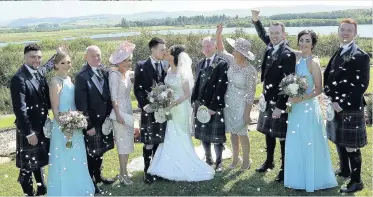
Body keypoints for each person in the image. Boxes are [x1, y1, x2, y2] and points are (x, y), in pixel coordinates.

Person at [148, 45, 215, 181]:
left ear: (174, 57)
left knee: (179, 133)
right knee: (170, 133)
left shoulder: (182, 73)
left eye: (169, 53)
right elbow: (166, 88)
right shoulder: (168, 71)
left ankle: (183, 162)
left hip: (179, 107)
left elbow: (187, 94)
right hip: (169, 107)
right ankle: (168, 163)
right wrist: (162, 97)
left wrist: (173, 103)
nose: (166, 54)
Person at [284, 29, 337, 192]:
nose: (304, 44)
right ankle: (298, 178)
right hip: (296, 107)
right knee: (296, 141)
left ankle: (313, 178)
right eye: (301, 40)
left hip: (307, 107)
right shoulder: (298, 60)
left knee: (308, 141)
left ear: (313, 44)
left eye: (307, 41)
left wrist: (300, 98)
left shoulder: (313, 62)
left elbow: (319, 89)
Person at [324, 18, 370, 193]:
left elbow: (362, 85)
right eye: (342, 29)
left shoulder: (361, 55)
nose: (344, 32)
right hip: (335, 104)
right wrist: (329, 95)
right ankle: (345, 170)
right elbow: (329, 75)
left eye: (348, 30)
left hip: (349, 107)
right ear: (338, 31)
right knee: (338, 139)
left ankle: (357, 181)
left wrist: (342, 103)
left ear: (355, 33)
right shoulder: (339, 51)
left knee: (351, 144)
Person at [251, 9, 296, 182]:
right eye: (272, 33)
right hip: (266, 99)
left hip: (278, 102)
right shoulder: (270, 48)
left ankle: (285, 168)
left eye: (277, 33)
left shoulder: (288, 54)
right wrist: (256, 21)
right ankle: (269, 162)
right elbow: (263, 34)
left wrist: (280, 106)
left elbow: (289, 83)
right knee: (268, 133)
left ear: (284, 35)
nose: (274, 35)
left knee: (282, 136)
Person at [47, 49, 95, 196]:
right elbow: (55, 108)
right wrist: (65, 126)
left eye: (68, 62)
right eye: (63, 63)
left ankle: (78, 188)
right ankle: (64, 191)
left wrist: (77, 121)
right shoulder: (55, 82)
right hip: (63, 126)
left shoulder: (69, 79)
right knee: (64, 158)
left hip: (75, 123)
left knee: (77, 157)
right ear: (55, 65)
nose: (66, 65)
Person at [10, 44, 52, 196]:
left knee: (38, 161)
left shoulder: (38, 72)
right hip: (29, 128)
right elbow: (19, 109)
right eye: (33, 57)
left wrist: (58, 54)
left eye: (39, 57)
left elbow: (47, 66)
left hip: (40, 125)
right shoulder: (18, 78)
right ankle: (29, 193)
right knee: (27, 165)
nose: (37, 60)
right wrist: (29, 133)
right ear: (25, 57)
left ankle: (42, 188)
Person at [215, 24, 257, 171]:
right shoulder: (232, 61)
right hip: (229, 102)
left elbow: (251, 93)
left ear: (241, 53)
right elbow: (221, 50)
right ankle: (235, 158)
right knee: (233, 132)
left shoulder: (250, 70)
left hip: (242, 104)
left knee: (242, 133)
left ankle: (246, 161)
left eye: (235, 50)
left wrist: (247, 113)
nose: (233, 51)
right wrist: (218, 35)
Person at [75, 45, 115, 194]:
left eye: (98, 55)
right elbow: (81, 103)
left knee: (101, 151)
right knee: (92, 153)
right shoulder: (81, 76)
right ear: (86, 57)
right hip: (93, 122)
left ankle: (99, 177)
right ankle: (92, 181)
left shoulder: (104, 71)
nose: (97, 58)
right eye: (93, 56)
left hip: (105, 120)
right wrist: (88, 125)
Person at [191, 36, 229, 172]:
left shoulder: (221, 63)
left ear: (215, 47)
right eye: (204, 46)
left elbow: (221, 86)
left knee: (217, 137)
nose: (205, 48)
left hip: (214, 106)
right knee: (203, 135)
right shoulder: (200, 63)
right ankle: (208, 159)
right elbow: (197, 83)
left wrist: (213, 107)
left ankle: (219, 162)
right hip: (199, 105)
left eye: (208, 46)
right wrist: (194, 101)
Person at [133, 37, 167, 184]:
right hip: (148, 110)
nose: (164, 52)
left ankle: (157, 169)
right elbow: (138, 89)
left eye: (165, 49)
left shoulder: (164, 65)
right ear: (153, 49)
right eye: (162, 49)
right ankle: (147, 172)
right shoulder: (141, 65)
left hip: (161, 110)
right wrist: (144, 104)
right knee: (149, 142)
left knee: (159, 141)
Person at [108, 41, 136, 185]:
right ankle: (122, 174)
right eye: (124, 60)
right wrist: (118, 114)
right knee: (122, 143)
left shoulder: (127, 73)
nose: (127, 62)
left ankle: (124, 171)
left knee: (128, 142)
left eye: (130, 60)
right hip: (119, 111)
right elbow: (113, 97)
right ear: (118, 61)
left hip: (128, 108)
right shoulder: (114, 75)